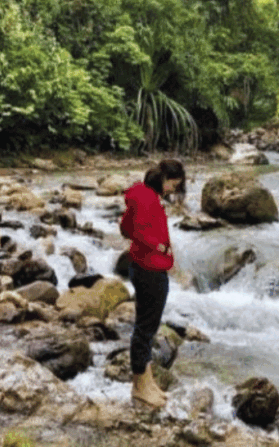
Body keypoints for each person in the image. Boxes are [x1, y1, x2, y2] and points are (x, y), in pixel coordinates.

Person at [119, 158, 186, 409]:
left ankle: (146, 384)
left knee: (145, 327)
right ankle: (139, 387)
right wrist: (159, 246)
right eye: (173, 184)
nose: (173, 190)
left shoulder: (141, 195)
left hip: (141, 266)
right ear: (164, 179)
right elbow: (140, 230)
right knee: (146, 329)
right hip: (150, 269)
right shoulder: (149, 199)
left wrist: (151, 244)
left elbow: (125, 227)